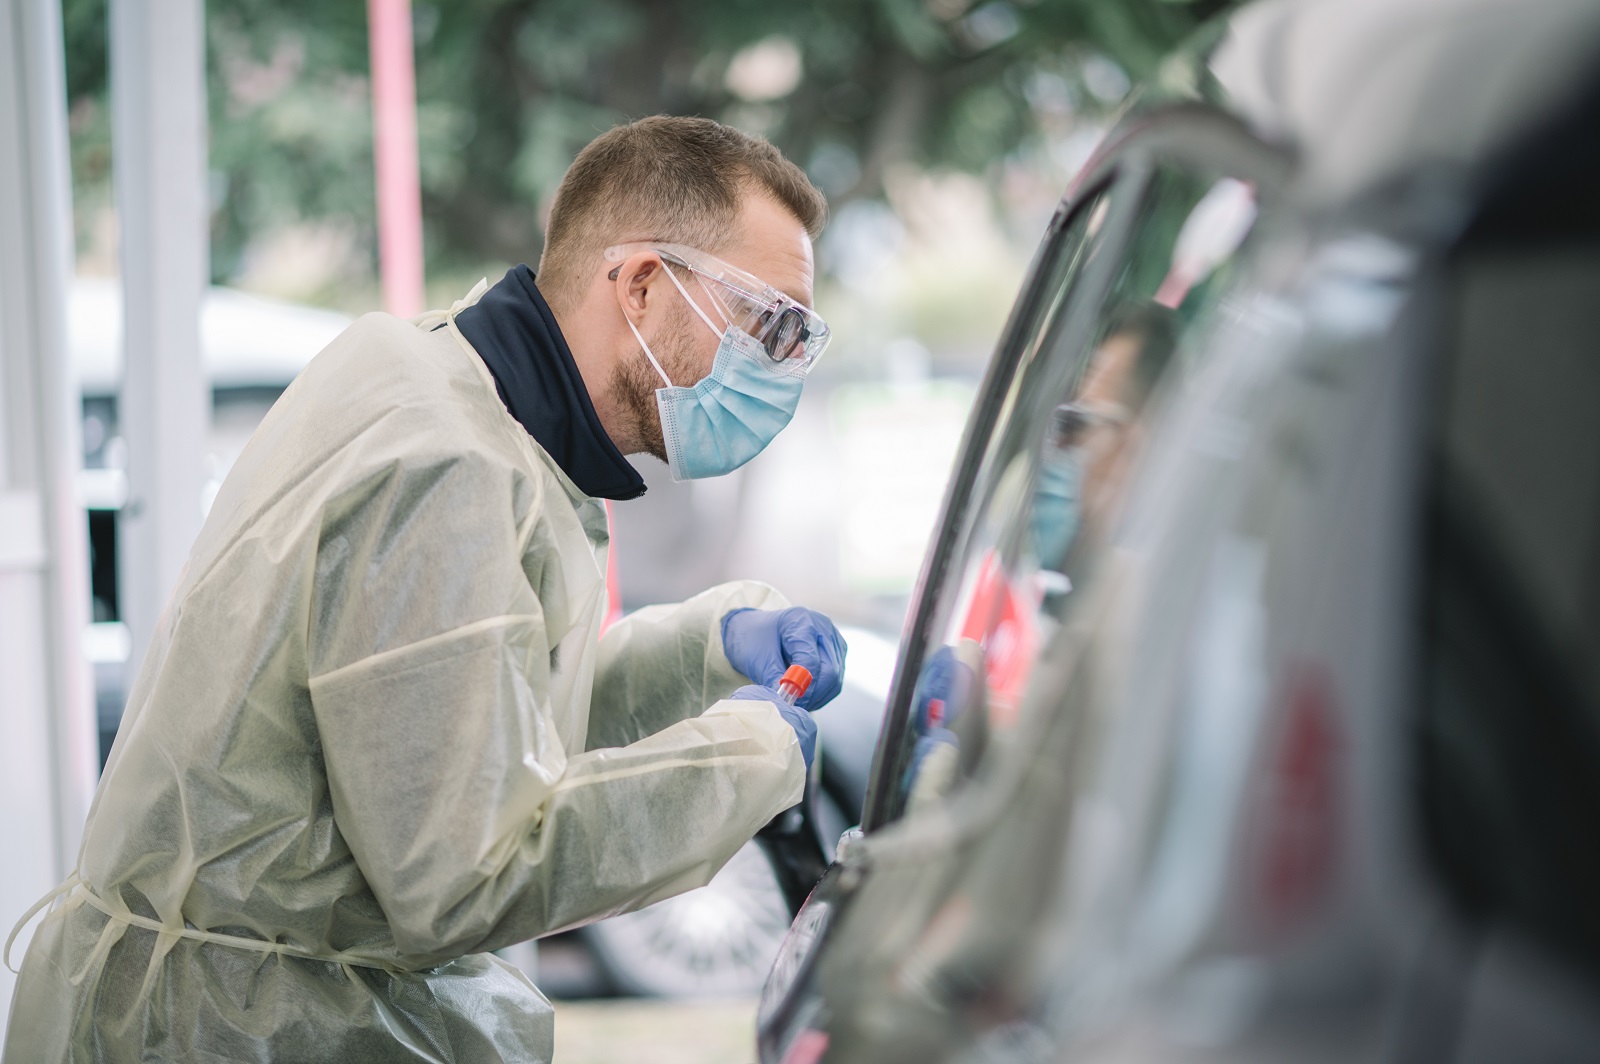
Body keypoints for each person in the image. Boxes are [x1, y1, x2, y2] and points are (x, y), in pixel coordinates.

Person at [2, 116, 848, 1063]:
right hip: (238, 1030)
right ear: (643, 286)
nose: (779, 369)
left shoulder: (451, 391)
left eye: (800, 339)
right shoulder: (441, 467)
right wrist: (751, 755)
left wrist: (702, 649)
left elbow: (469, 725)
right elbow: (463, 872)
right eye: (768, 323)